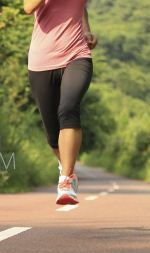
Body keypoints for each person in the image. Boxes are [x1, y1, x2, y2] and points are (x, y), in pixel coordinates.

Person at [24, 0, 97, 205]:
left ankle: (66, 180)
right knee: (52, 135)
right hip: (41, 62)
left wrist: (87, 31)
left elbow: (80, 7)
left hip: (77, 56)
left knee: (68, 109)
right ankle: (65, 166)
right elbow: (28, 7)